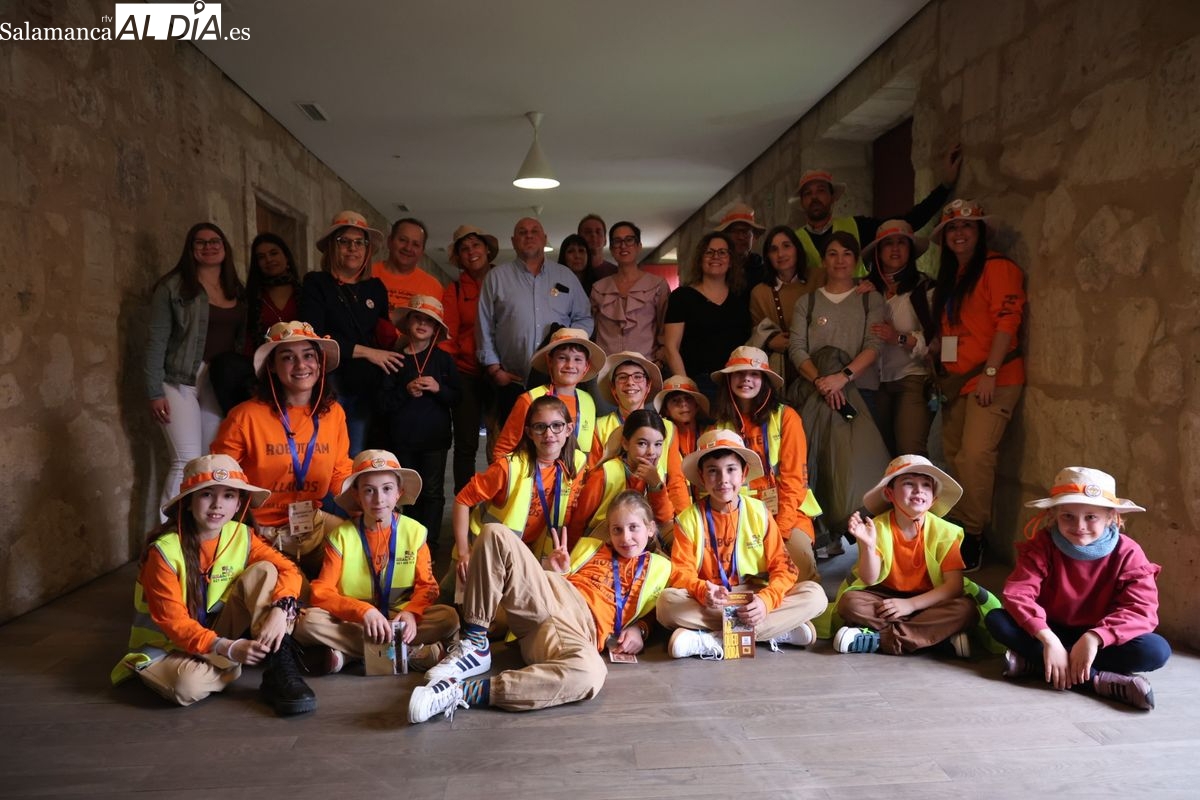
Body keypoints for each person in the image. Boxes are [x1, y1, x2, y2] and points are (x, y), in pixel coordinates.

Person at [408, 491, 670, 722]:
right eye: (617, 529)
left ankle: (458, 692)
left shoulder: (662, 567)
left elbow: (667, 606)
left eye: (633, 528)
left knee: (591, 674)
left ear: (650, 529)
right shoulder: (592, 547)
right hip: (550, 594)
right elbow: (547, 581)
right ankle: (475, 644)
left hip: (577, 633)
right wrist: (556, 570)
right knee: (494, 532)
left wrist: (642, 628)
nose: (625, 537)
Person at [110, 454, 315, 714]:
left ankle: (279, 668)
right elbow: (174, 622)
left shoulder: (241, 535)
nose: (217, 505)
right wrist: (227, 647)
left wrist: (280, 610)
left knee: (265, 571)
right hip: (168, 647)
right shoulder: (163, 552)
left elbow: (289, 570)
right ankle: (230, 662)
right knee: (187, 686)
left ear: (239, 503)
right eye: (207, 494)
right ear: (188, 502)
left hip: (217, 632)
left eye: (228, 495)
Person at [984, 467, 1170, 711]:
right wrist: (1048, 638)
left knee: (1156, 650)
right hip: (1049, 629)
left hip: (1101, 638)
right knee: (997, 620)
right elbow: (1018, 594)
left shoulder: (1129, 553)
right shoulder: (1042, 545)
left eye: (1091, 517)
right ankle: (1097, 681)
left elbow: (1141, 609)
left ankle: (1036, 664)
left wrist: (1095, 637)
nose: (1079, 526)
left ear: (1111, 517)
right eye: (1068, 516)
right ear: (1053, 515)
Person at [657, 430, 827, 658]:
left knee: (815, 595)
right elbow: (680, 574)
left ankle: (712, 639)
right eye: (713, 471)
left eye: (731, 469)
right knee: (666, 604)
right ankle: (776, 630)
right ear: (702, 476)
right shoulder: (688, 519)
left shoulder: (759, 512)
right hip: (713, 600)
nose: (723, 479)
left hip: (753, 595)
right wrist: (702, 591)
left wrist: (766, 601)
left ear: (744, 473)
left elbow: (784, 568)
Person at [294, 450, 460, 675]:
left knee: (448, 618)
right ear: (357, 495)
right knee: (307, 623)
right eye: (369, 490)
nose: (379, 499)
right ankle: (409, 653)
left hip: (399, 620)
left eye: (387, 489)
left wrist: (412, 614)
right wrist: (363, 612)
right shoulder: (340, 536)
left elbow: (428, 587)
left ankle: (350, 654)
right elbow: (321, 592)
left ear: (399, 492)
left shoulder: (415, 532)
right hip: (357, 621)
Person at [930, 199, 1026, 572]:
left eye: (967, 226)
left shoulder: (998, 267)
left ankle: (973, 535)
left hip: (992, 380)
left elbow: (1008, 321)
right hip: (958, 382)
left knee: (975, 456)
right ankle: (960, 526)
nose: (959, 233)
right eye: (952, 228)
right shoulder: (954, 275)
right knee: (955, 457)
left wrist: (990, 372)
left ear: (980, 231)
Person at [211, 321, 351, 572]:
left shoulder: (334, 413)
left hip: (311, 524)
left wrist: (368, 504)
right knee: (293, 588)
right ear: (272, 367)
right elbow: (219, 480)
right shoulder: (245, 416)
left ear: (319, 363)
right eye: (288, 357)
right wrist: (241, 523)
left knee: (366, 551)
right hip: (260, 533)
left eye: (308, 356)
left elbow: (340, 471)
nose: (301, 365)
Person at [145, 222, 246, 517]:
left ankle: (199, 531)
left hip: (217, 382)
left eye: (215, 241)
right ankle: (165, 534)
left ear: (224, 247)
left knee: (210, 460)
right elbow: (156, 341)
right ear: (191, 250)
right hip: (179, 381)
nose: (208, 246)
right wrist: (154, 391)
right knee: (185, 461)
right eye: (200, 242)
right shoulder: (173, 287)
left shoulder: (236, 289)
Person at [831, 455, 976, 657]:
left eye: (926, 485)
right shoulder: (877, 527)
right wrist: (868, 546)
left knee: (966, 609)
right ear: (889, 493)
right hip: (884, 599)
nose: (919, 490)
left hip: (928, 601)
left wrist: (910, 605)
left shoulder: (945, 532)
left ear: (934, 499)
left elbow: (954, 586)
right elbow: (869, 579)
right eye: (909, 483)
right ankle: (935, 639)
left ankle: (879, 639)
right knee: (850, 603)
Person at [450, 395, 587, 590]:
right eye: (540, 427)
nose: (548, 433)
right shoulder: (508, 467)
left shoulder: (577, 463)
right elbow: (462, 500)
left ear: (569, 429)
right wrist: (464, 552)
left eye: (557, 425)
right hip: (483, 551)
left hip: (528, 555)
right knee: (454, 601)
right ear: (529, 432)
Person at [709, 346, 818, 581]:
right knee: (725, 575)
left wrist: (781, 530)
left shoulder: (786, 417)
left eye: (754, 374)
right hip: (738, 516)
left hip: (787, 512)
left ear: (765, 381)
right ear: (728, 380)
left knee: (799, 567)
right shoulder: (717, 426)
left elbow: (794, 480)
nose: (746, 379)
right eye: (739, 373)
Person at [299, 210, 403, 455]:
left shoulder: (375, 287)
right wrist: (368, 352)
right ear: (331, 247)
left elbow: (383, 334)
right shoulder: (316, 283)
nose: (352, 248)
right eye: (344, 241)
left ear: (367, 249)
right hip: (330, 381)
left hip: (366, 386)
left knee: (357, 454)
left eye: (359, 242)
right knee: (326, 453)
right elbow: (312, 335)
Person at [476, 216, 593, 427]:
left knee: (555, 438)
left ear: (544, 238)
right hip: (512, 382)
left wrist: (570, 346)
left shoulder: (566, 276)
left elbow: (584, 317)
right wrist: (494, 370)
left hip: (556, 382)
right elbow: (484, 325)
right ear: (513, 241)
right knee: (513, 441)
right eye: (522, 232)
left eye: (534, 231)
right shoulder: (496, 277)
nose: (529, 236)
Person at [789, 145, 962, 274]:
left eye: (820, 191)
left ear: (833, 197)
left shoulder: (858, 226)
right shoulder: (792, 241)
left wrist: (945, 186)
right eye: (808, 193)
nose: (814, 197)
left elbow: (907, 222)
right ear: (802, 202)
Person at [377, 296, 460, 550]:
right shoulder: (394, 360)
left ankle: (430, 543)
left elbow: (458, 398)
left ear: (436, 329)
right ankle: (410, 542)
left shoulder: (444, 360)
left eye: (429, 321)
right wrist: (405, 391)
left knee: (433, 491)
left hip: (435, 439)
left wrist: (438, 388)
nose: (422, 324)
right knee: (408, 493)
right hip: (402, 439)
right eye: (417, 318)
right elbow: (382, 403)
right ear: (407, 323)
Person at [862, 220, 937, 457]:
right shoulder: (865, 290)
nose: (895, 249)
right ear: (878, 252)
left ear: (910, 250)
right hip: (873, 383)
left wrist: (899, 338)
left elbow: (936, 341)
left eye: (902, 243)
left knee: (910, 451)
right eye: (888, 243)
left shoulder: (925, 288)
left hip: (912, 378)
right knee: (879, 454)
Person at [589, 352, 690, 515]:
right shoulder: (599, 427)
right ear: (613, 388)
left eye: (638, 377)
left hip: (658, 514)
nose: (630, 382)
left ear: (648, 386)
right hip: (614, 515)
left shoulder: (668, 427)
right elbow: (592, 480)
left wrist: (683, 521)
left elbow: (676, 482)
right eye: (622, 377)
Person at [662, 232, 752, 401]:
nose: (715, 256)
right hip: (697, 382)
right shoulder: (682, 297)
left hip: (735, 382)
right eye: (709, 252)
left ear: (731, 260)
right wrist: (687, 387)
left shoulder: (741, 298)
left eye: (722, 252)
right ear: (700, 259)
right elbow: (671, 347)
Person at [441, 224, 498, 493]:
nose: (471, 251)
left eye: (475, 245)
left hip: (499, 372)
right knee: (466, 444)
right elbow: (448, 335)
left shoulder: (503, 280)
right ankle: (465, 504)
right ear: (459, 257)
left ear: (486, 249)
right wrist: (449, 373)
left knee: (502, 442)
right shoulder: (453, 290)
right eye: (464, 248)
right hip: (467, 373)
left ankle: (502, 501)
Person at [492, 327, 604, 460]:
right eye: (562, 358)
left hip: (576, 473)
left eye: (578, 359)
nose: (570, 365)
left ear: (586, 366)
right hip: (534, 472)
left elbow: (590, 455)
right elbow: (503, 450)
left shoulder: (588, 401)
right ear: (550, 361)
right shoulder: (530, 400)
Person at [568, 409, 675, 546]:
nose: (651, 452)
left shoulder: (654, 471)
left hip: (637, 545)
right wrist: (573, 554)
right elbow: (578, 522)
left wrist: (656, 485)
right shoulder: (605, 474)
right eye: (642, 443)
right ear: (625, 443)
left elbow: (665, 519)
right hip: (601, 545)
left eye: (658, 444)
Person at [749, 225, 822, 389]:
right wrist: (769, 341)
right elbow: (756, 333)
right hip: (784, 372)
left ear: (797, 249)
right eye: (774, 249)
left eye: (786, 246)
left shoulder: (820, 277)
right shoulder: (759, 293)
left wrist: (865, 285)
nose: (780, 254)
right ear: (768, 256)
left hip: (820, 366)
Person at [589, 221, 669, 368]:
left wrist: (660, 360)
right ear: (611, 249)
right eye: (617, 241)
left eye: (629, 240)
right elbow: (591, 331)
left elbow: (665, 329)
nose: (623, 246)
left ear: (639, 246)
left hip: (645, 367)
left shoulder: (657, 285)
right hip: (606, 368)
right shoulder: (599, 288)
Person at [371, 217, 443, 329]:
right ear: (389, 241)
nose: (408, 248)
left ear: (422, 251)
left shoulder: (433, 287)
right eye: (403, 240)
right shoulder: (367, 274)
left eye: (416, 244)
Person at [245, 232, 302, 351]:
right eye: (261, 257)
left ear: (286, 257)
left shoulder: (305, 292)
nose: (269, 259)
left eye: (273, 253)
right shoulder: (251, 297)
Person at [653, 375, 710, 462]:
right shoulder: (660, 437)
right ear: (666, 410)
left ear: (697, 406)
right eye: (675, 400)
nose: (683, 404)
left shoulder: (710, 432)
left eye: (688, 398)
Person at [713, 202, 769, 289]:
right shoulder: (715, 268)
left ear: (754, 237)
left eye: (746, 232)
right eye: (735, 231)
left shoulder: (765, 271)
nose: (740, 237)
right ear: (725, 236)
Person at [578, 213, 618, 280]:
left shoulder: (617, 273)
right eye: (588, 232)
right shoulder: (569, 273)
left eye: (598, 232)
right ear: (578, 239)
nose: (593, 235)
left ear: (605, 240)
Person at [558, 233, 598, 297]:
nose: (577, 256)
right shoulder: (555, 284)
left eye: (581, 251)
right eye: (571, 251)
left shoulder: (598, 285)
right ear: (563, 256)